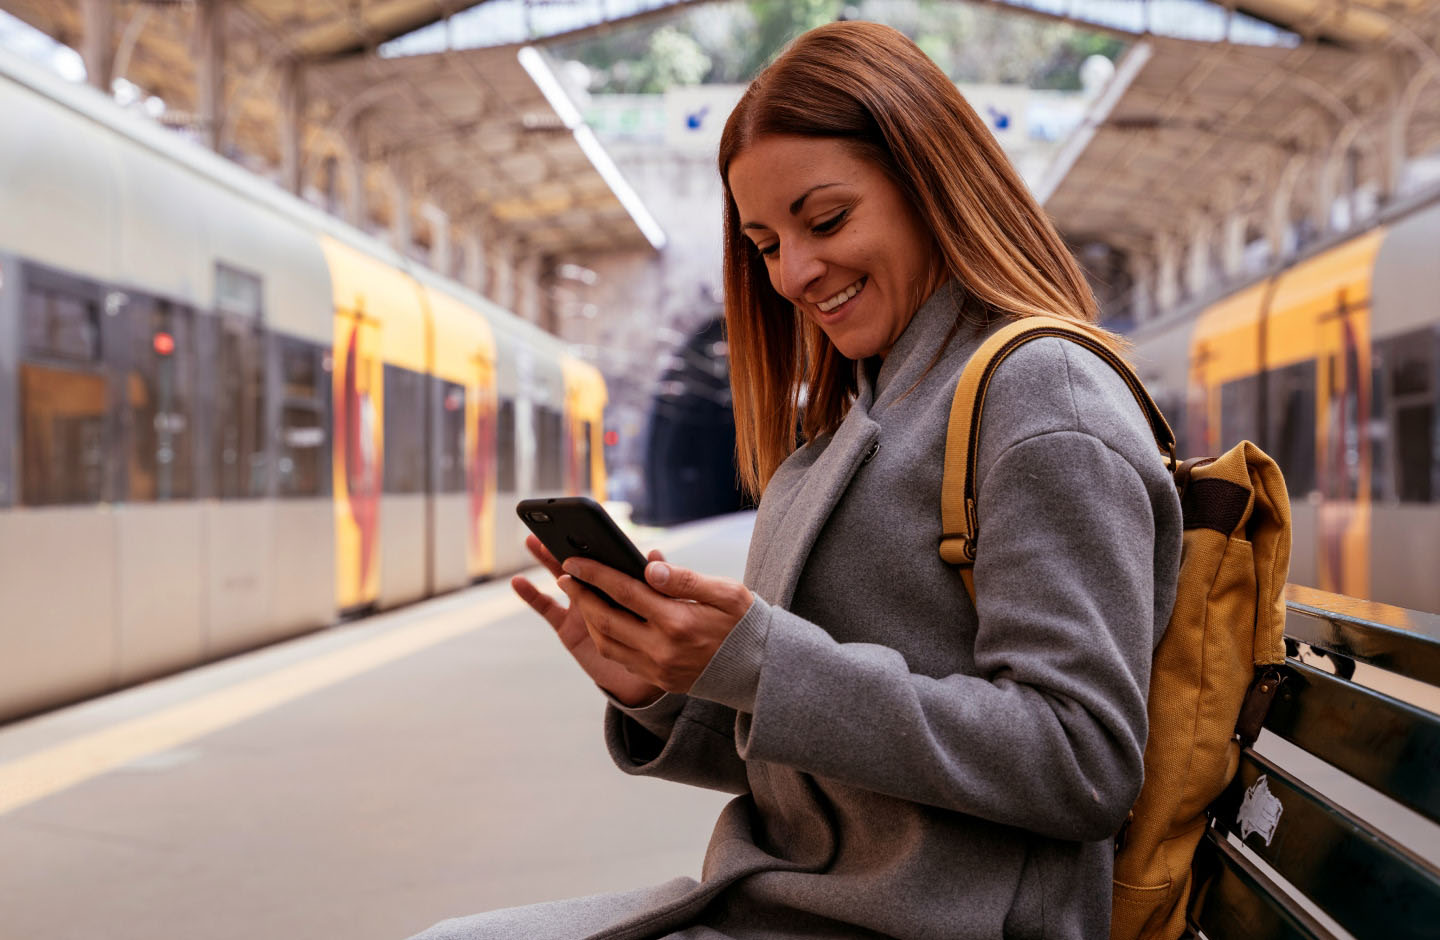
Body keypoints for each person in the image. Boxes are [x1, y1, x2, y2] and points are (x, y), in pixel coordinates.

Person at [410, 20, 1181, 940]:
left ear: (931, 183)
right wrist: (665, 685)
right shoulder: (863, 408)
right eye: (767, 243)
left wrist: (762, 662)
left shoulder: (1039, 394)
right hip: (812, 906)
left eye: (826, 221)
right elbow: (834, 773)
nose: (796, 274)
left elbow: (1078, 758)